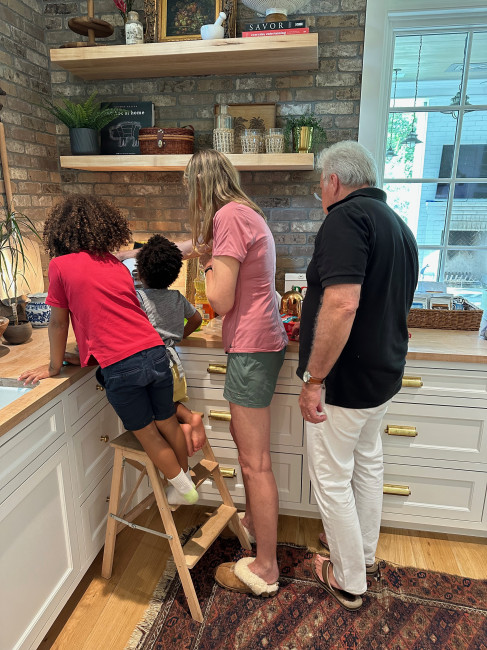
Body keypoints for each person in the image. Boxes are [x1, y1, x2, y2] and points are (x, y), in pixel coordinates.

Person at [296, 141, 418, 610]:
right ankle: (363, 557)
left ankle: (348, 579)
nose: (320, 194)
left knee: (330, 478)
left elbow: (343, 304)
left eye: (319, 186)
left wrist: (313, 379)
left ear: (333, 181)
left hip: (345, 381)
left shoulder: (344, 219)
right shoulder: (398, 225)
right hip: (383, 374)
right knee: (368, 465)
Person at [19, 195, 198, 507]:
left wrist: (53, 366)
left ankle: (185, 491)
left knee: (149, 436)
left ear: (60, 233)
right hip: (155, 353)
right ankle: (186, 475)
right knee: (167, 421)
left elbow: (59, 324)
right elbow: (118, 315)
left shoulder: (59, 266)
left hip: (121, 365)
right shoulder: (115, 265)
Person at [184, 149, 288, 597]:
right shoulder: (244, 212)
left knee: (254, 462)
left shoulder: (227, 217)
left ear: (201, 187)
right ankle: (251, 519)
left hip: (250, 347)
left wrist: (204, 262)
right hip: (261, 342)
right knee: (254, 458)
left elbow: (220, 300)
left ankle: (265, 567)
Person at [134, 234, 207, 467]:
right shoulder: (176, 296)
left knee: (155, 414)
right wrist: (180, 335)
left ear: (140, 272)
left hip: (153, 363)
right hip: (174, 362)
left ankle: (184, 428)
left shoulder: (138, 297)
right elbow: (197, 318)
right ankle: (189, 419)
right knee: (167, 404)